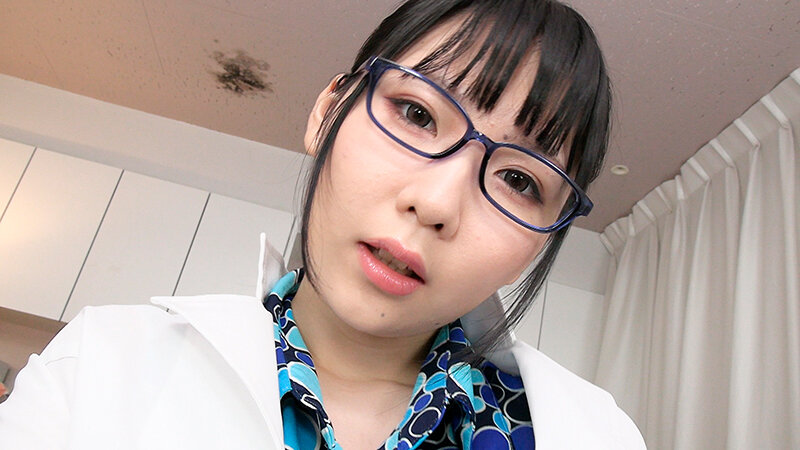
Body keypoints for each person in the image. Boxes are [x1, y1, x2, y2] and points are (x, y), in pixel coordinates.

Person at [0, 0, 645, 448]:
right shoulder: (98, 366)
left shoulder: (593, 436)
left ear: (541, 241)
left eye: (519, 180)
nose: (437, 204)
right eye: (418, 114)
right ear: (328, 113)